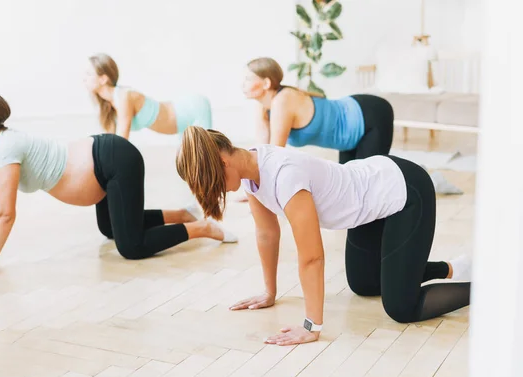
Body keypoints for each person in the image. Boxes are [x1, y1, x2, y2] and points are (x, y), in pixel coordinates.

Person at [176, 126, 472, 346]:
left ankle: (488, 289)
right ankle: (453, 268)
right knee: (364, 283)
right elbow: (267, 233)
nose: (215, 191)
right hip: (367, 203)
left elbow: (312, 257)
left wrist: (311, 326)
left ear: (222, 162)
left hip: (403, 191)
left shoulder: (284, 175)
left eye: (211, 182)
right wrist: (269, 292)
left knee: (401, 307)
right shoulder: (250, 173)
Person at [0, 90, 236, 280]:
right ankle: (182, 215)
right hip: (103, 162)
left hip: (113, 162)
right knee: (110, 228)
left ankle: (202, 228)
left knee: (131, 247)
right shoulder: (0, 145)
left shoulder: (6, 146)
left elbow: (6, 214)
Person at [242, 57, 393, 163]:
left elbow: (274, 155)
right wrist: (252, 192)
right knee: (352, 188)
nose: (243, 84)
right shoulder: (263, 107)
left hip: (370, 115)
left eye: (248, 79)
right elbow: (262, 153)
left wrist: (258, 195)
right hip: (348, 135)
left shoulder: (283, 101)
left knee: (368, 184)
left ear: (266, 83)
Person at [84, 53, 212, 140]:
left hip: (190, 109)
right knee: (192, 167)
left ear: (103, 79)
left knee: (210, 158)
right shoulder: (108, 105)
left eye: (89, 74)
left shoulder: (123, 97)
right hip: (179, 120)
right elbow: (109, 143)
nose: (84, 79)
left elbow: (121, 142)